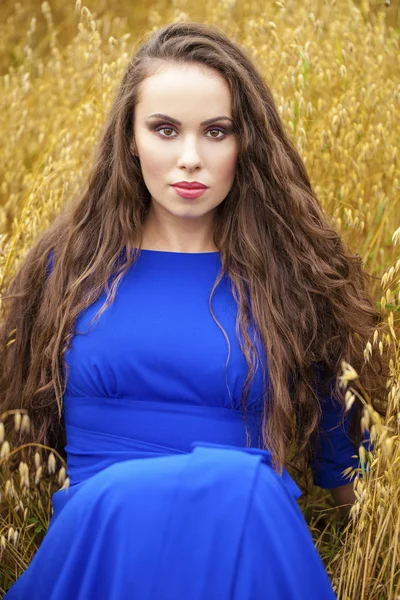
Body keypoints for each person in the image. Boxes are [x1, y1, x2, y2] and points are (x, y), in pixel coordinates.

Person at [0, 20, 385, 600]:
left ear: (244, 142)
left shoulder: (292, 279)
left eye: (216, 131)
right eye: (164, 129)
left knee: (242, 486)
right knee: (125, 502)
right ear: (129, 139)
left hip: (247, 535)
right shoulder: (68, 266)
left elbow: (349, 470)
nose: (189, 158)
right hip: (106, 538)